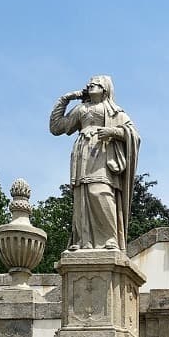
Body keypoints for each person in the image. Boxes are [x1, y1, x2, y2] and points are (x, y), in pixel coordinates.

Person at [49, 76, 140, 251]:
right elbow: (56, 127)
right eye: (89, 84)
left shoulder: (115, 111)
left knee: (100, 191)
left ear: (105, 88)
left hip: (104, 154)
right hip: (83, 152)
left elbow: (133, 134)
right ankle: (83, 241)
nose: (91, 85)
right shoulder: (81, 109)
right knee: (82, 194)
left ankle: (110, 238)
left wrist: (112, 132)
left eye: (96, 84)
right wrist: (65, 99)